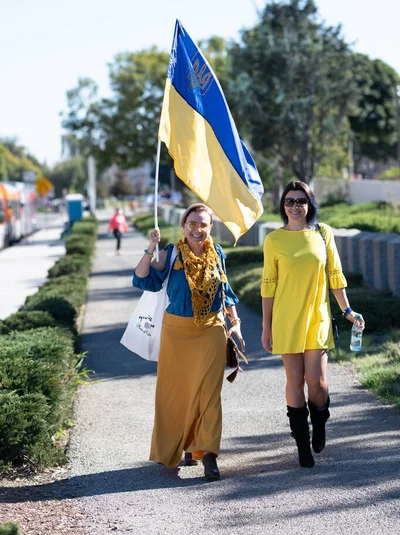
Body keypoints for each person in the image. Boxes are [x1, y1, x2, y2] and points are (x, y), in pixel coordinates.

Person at [132, 203, 244, 481]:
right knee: (178, 394)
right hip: (176, 333)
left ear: (210, 228)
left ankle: (209, 455)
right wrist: (150, 247)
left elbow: (226, 291)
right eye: (192, 224)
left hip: (211, 330)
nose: (197, 229)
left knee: (208, 394)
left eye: (203, 224)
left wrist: (236, 323)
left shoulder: (217, 253)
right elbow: (143, 278)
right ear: (184, 226)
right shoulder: (169, 253)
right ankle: (184, 445)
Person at [261, 181, 365, 468]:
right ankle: (302, 445)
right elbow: (268, 285)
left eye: (301, 201)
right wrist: (266, 326)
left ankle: (320, 421)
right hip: (285, 318)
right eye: (290, 201)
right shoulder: (273, 240)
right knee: (294, 381)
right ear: (283, 206)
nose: (295, 206)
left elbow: (335, 275)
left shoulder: (323, 233)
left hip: (317, 317)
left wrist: (348, 311)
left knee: (316, 382)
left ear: (310, 204)